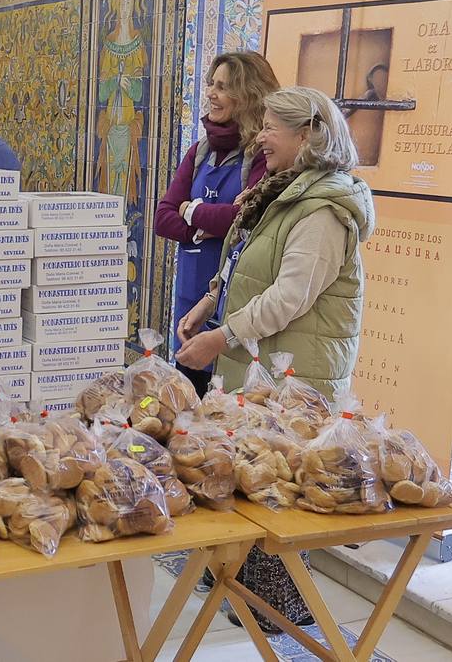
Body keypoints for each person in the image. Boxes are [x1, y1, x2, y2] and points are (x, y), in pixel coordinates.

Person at [174, 85, 374, 635]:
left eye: (270, 128)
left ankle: (278, 610)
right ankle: (239, 585)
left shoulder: (324, 209)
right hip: (263, 362)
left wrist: (222, 337)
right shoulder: (280, 191)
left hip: (296, 370)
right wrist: (209, 302)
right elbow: (246, 261)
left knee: (279, 487)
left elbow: (290, 296)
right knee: (253, 471)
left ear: (307, 135)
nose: (259, 137)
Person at [155, 51, 279, 395]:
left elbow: (245, 217)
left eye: (222, 87)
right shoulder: (199, 152)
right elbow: (162, 218)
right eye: (211, 84)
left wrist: (191, 211)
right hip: (190, 299)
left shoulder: (263, 157)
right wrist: (206, 227)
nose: (210, 93)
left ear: (249, 95)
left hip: (235, 308)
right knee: (187, 408)